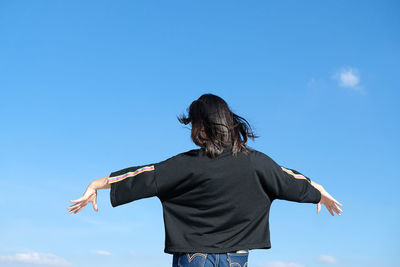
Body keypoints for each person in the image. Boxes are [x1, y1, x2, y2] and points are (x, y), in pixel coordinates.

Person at [67, 93, 343, 267]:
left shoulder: (186, 164)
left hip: (193, 257)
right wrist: (317, 191)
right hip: (237, 258)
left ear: (200, 126)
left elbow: (143, 176)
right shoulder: (256, 162)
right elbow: (289, 180)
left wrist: (97, 184)